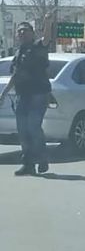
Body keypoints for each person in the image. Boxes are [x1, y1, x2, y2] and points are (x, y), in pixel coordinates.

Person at [0, 22, 52, 176]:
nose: (22, 33)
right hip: (23, 96)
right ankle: (28, 163)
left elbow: (47, 39)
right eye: (19, 31)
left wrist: (48, 21)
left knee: (33, 127)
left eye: (25, 30)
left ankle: (42, 158)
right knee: (22, 130)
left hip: (39, 94)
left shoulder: (38, 46)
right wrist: (3, 94)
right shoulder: (19, 52)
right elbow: (15, 76)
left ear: (32, 33)